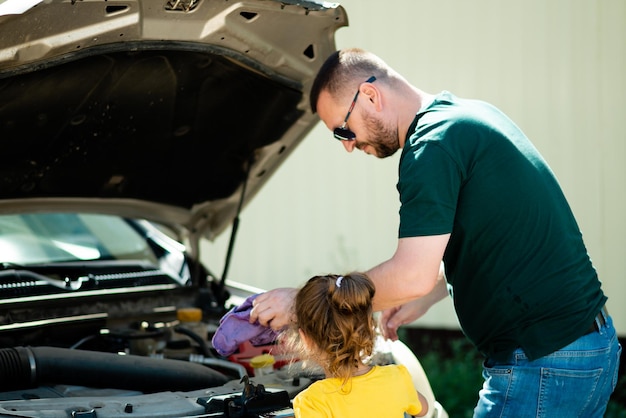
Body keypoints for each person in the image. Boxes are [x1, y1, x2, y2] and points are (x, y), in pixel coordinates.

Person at [250, 48, 621, 417]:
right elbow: (496, 240)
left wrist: (302, 304)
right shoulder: (465, 116)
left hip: (546, 360)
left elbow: (411, 274)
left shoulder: (431, 146)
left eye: (343, 130)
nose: (348, 145)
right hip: (586, 344)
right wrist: (429, 291)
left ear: (370, 95)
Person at [290, 272, 428, 417]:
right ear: (368, 329)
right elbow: (423, 410)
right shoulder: (397, 378)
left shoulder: (312, 402)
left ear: (306, 340)